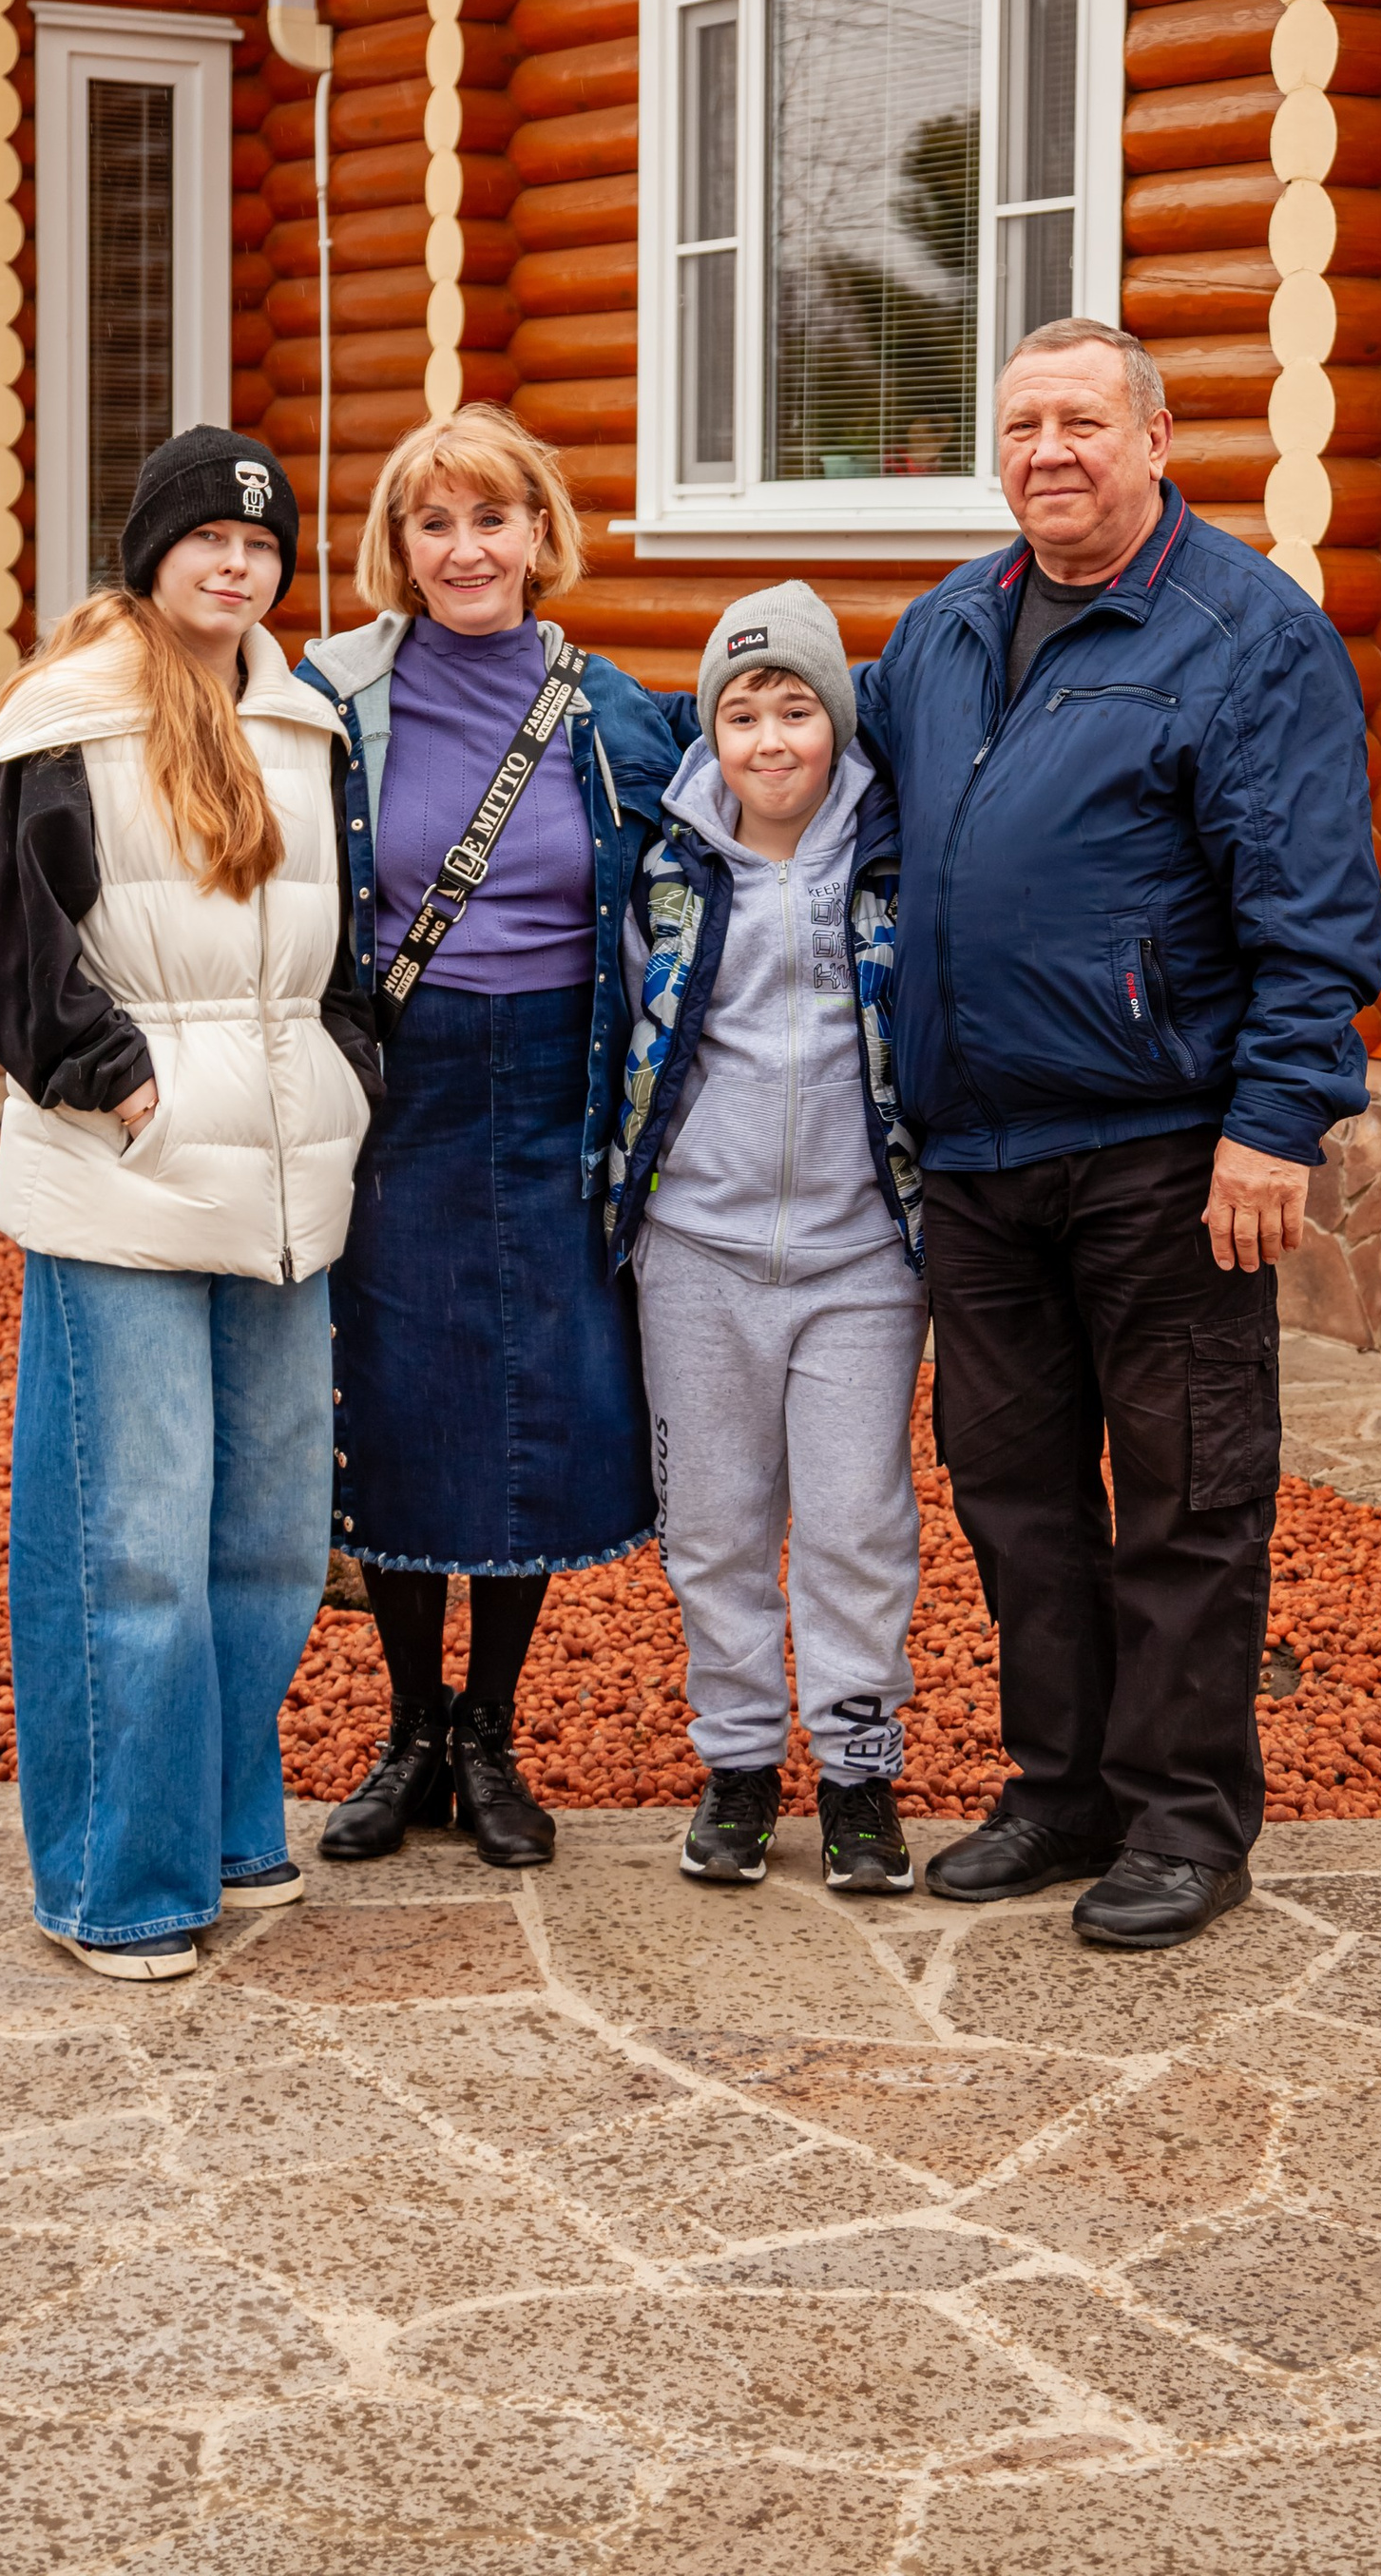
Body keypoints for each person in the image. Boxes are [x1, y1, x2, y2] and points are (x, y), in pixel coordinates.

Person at [857, 316, 1381, 1954]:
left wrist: (1275, 1124)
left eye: (1084, 421)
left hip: (1169, 1150)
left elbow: (1315, 914)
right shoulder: (945, 632)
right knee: (1015, 1496)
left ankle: (1184, 1816)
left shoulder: (1248, 639)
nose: (1049, 453)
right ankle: (1061, 1787)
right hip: (978, 1159)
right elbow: (809, 775)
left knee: (1186, 1495)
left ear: (1158, 440)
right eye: (1021, 427)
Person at [0, 430, 375, 1981]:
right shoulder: (71, 718)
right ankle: (120, 1883)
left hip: (283, 1190)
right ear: (152, 556)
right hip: (125, 1183)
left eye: (261, 545)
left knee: (264, 1539)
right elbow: (16, 945)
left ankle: (222, 1819)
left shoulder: (304, 722)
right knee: (129, 1545)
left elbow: (346, 950)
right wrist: (118, 1086)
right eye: (206, 537)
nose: (236, 564)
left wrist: (346, 1079)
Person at [302, 407, 686, 1872]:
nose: (466, 550)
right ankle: (408, 1729)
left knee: (541, 1401)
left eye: (493, 519)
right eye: (434, 524)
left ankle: (493, 1731)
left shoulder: (614, 713)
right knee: (400, 1401)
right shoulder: (332, 699)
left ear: (541, 534)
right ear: (399, 547)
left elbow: (699, 882)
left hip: (558, 1089)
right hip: (404, 1091)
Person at [608, 584, 927, 1897]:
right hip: (700, 1250)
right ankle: (739, 1765)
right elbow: (628, 1035)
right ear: (714, 732)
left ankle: (857, 1772)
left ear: (835, 726)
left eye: (798, 708)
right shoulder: (671, 869)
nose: (772, 739)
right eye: (745, 713)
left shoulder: (893, 863)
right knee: (716, 1530)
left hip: (859, 1260)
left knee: (856, 1523)